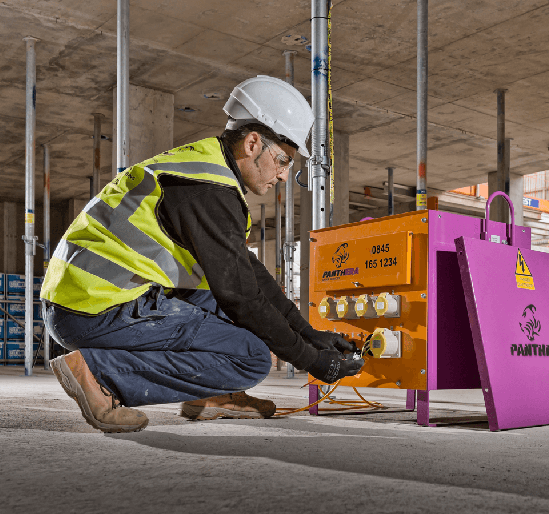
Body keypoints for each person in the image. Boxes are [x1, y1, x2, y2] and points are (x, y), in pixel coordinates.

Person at [41, 75, 364, 433]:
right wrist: (312, 360)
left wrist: (309, 334)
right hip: (94, 311)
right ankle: (99, 375)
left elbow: (248, 275)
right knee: (252, 357)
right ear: (254, 143)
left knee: (224, 304)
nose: (285, 176)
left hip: (88, 300)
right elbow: (242, 297)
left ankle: (211, 395)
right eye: (284, 160)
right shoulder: (207, 192)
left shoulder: (205, 170)